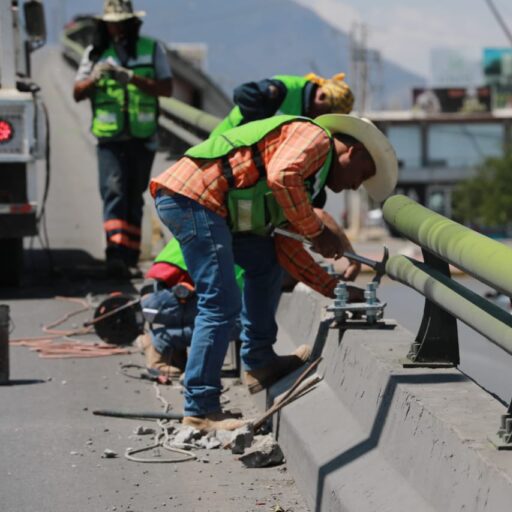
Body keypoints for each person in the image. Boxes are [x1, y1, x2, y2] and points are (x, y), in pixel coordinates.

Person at [150, 113, 397, 431]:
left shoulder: (304, 183)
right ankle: (200, 409)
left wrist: (334, 287)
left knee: (265, 263)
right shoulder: (315, 138)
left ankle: (260, 362)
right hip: (195, 199)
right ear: (356, 152)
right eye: (362, 175)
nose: (354, 186)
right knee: (220, 303)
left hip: (210, 206)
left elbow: (285, 248)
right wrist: (316, 230)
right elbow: (283, 176)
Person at [139, 208, 360, 378]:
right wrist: (350, 258)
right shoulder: (270, 228)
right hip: (170, 296)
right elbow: (318, 215)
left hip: (161, 291)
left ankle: (172, 348)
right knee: (245, 323)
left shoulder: (254, 217)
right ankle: (161, 340)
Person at [73, 0, 173, 276]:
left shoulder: (151, 49)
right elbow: (78, 92)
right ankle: (115, 254)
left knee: (134, 194)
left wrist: (130, 78)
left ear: (131, 23)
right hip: (110, 137)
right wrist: (94, 77)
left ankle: (129, 254)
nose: (116, 27)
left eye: (121, 22)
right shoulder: (95, 53)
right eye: (112, 22)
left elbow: (166, 88)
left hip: (142, 136)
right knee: (114, 191)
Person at [209, 73, 354, 137]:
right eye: (326, 113)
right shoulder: (281, 90)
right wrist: (257, 130)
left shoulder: (304, 108)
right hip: (223, 142)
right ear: (322, 97)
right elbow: (242, 92)